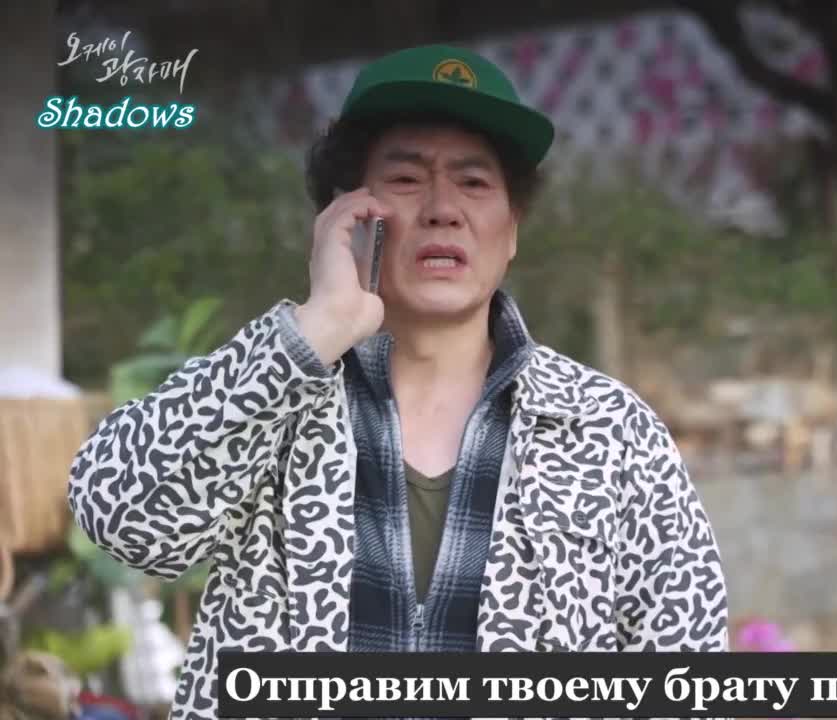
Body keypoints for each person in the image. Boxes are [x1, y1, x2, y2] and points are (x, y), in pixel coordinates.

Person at [67, 44, 730, 719]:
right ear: (346, 216)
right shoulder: (270, 393)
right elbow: (120, 517)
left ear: (511, 231)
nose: (443, 209)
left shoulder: (609, 429)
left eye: (475, 183)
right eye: (408, 179)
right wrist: (320, 326)